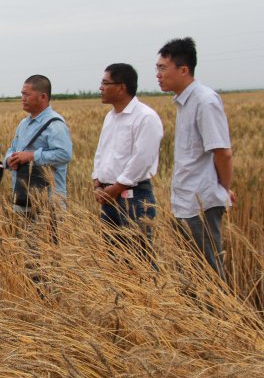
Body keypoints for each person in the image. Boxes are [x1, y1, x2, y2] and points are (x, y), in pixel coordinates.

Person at [157, 37, 235, 279]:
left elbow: (222, 151)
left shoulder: (204, 100)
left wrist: (222, 189)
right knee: (192, 272)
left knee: (210, 273)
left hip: (201, 200)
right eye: (156, 68)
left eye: (162, 68)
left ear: (183, 70)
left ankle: (221, 316)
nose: (158, 74)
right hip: (187, 201)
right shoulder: (185, 102)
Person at [92, 63, 164, 261]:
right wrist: (97, 182)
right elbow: (101, 152)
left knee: (139, 260)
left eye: (105, 83)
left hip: (134, 198)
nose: (100, 88)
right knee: (115, 261)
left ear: (121, 87)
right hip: (108, 197)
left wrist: (115, 188)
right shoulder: (110, 117)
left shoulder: (145, 117)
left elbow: (142, 159)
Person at [5, 75, 73, 215]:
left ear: (42, 97)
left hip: (49, 203)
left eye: (27, 94)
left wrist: (32, 156)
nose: (22, 98)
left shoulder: (55, 125)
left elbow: (64, 154)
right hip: (23, 198)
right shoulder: (24, 124)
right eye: (22, 94)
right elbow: (13, 148)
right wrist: (9, 159)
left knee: (48, 237)